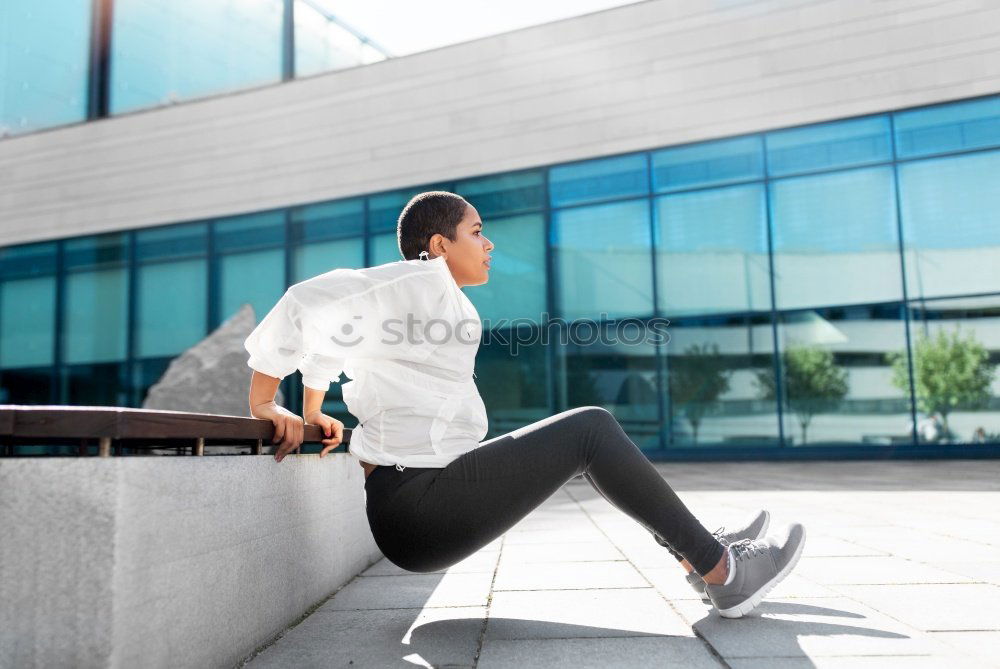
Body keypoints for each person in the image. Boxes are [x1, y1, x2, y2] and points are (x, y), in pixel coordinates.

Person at [243, 190, 806, 619]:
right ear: (439, 246)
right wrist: (264, 402)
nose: (488, 245)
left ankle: (699, 555)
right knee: (591, 429)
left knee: (589, 433)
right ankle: (723, 570)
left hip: (428, 493)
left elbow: (334, 339)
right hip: (417, 506)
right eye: (477, 232)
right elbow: (306, 303)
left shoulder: (437, 299)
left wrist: (314, 406)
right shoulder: (413, 283)